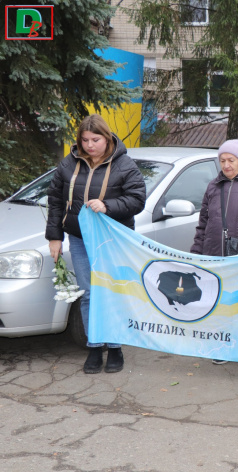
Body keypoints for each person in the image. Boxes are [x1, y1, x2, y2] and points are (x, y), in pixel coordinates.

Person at [45, 114, 146, 374]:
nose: (90, 145)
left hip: (113, 240)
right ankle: (94, 346)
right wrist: (54, 236)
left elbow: (137, 199)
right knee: (89, 293)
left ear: (107, 138)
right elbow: (56, 200)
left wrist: (107, 206)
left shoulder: (124, 165)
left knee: (110, 291)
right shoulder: (68, 164)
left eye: (95, 139)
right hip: (79, 238)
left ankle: (115, 348)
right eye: (85, 140)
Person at [190, 139, 238, 370]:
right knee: (220, 302)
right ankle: (221, 346)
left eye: (231, 160)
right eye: (222, 160)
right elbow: (203, 223)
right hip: (215, 253)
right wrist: (196, 252)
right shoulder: (213, 186)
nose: (226, 165)